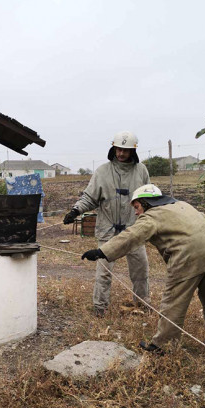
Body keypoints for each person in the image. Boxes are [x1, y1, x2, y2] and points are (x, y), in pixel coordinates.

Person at [81, 184, 205, 355]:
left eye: (137, 207)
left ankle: (162, 347)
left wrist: (102, 252)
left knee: (173, 304)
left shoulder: (152, 216)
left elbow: (132, 236)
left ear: (146, 202)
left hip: (188, 258)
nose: (136, 212)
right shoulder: (184, 205)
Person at [63, 131, 150, 317]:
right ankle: (100, 308)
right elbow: (89, 197)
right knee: (103, 273)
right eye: (118, 149)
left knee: (141, 271)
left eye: (125, 150)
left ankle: (142, 306)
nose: (121, 154)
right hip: (108, 231)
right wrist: (75, 210)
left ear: (132, 151)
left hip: (134, 230)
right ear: (113, 148)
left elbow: (148, 198)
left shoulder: (141, 171)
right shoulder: (102, 171)